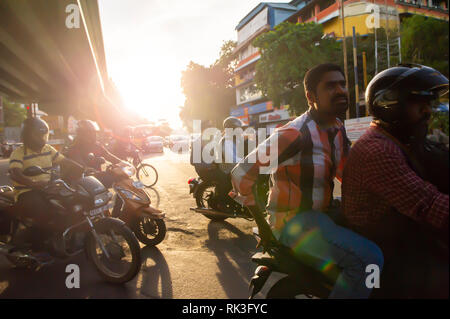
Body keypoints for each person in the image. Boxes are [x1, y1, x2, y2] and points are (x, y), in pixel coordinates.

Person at [230, 63, 384, 299]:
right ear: (311, 96)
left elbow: (349, 175)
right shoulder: (295, 134)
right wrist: (262, 222)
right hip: (295, 223)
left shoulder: (337, 128)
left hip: (323, 214)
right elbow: (242, 172)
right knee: (369, 259)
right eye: (330, 86)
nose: (341, 90)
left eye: (342, 84)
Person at [341, 64, 449, 298]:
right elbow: (430, 205)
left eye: (429, 103)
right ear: (390, 105)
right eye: (418, 102)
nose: (427, 111)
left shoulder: (400, 140)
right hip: (383, 245)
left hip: (402, 234)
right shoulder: (378, 150)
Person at [8, 117, 84, 251]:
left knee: (70, 204)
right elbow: (15, 173)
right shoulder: (19, 152)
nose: (42, 139)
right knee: (44, 211)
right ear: (28, 136)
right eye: (38, 135)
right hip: (27, 192)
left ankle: (63, 235)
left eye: (43, 135)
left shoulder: (48, 149)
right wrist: (32, 184)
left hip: (47, 188)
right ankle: (35, 244)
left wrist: (82, 168)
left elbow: (64, 161)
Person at [64, 119, 123, 188]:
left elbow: (108, 155)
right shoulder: (74, 147)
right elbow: (79, 163)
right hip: (80, 180)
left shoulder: (96, 145)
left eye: (94, 132)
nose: (94, 135)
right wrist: (86, 168)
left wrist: (122, 163)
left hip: (95, 178)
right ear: (82, 134)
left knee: (118, 179)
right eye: (90, 132)